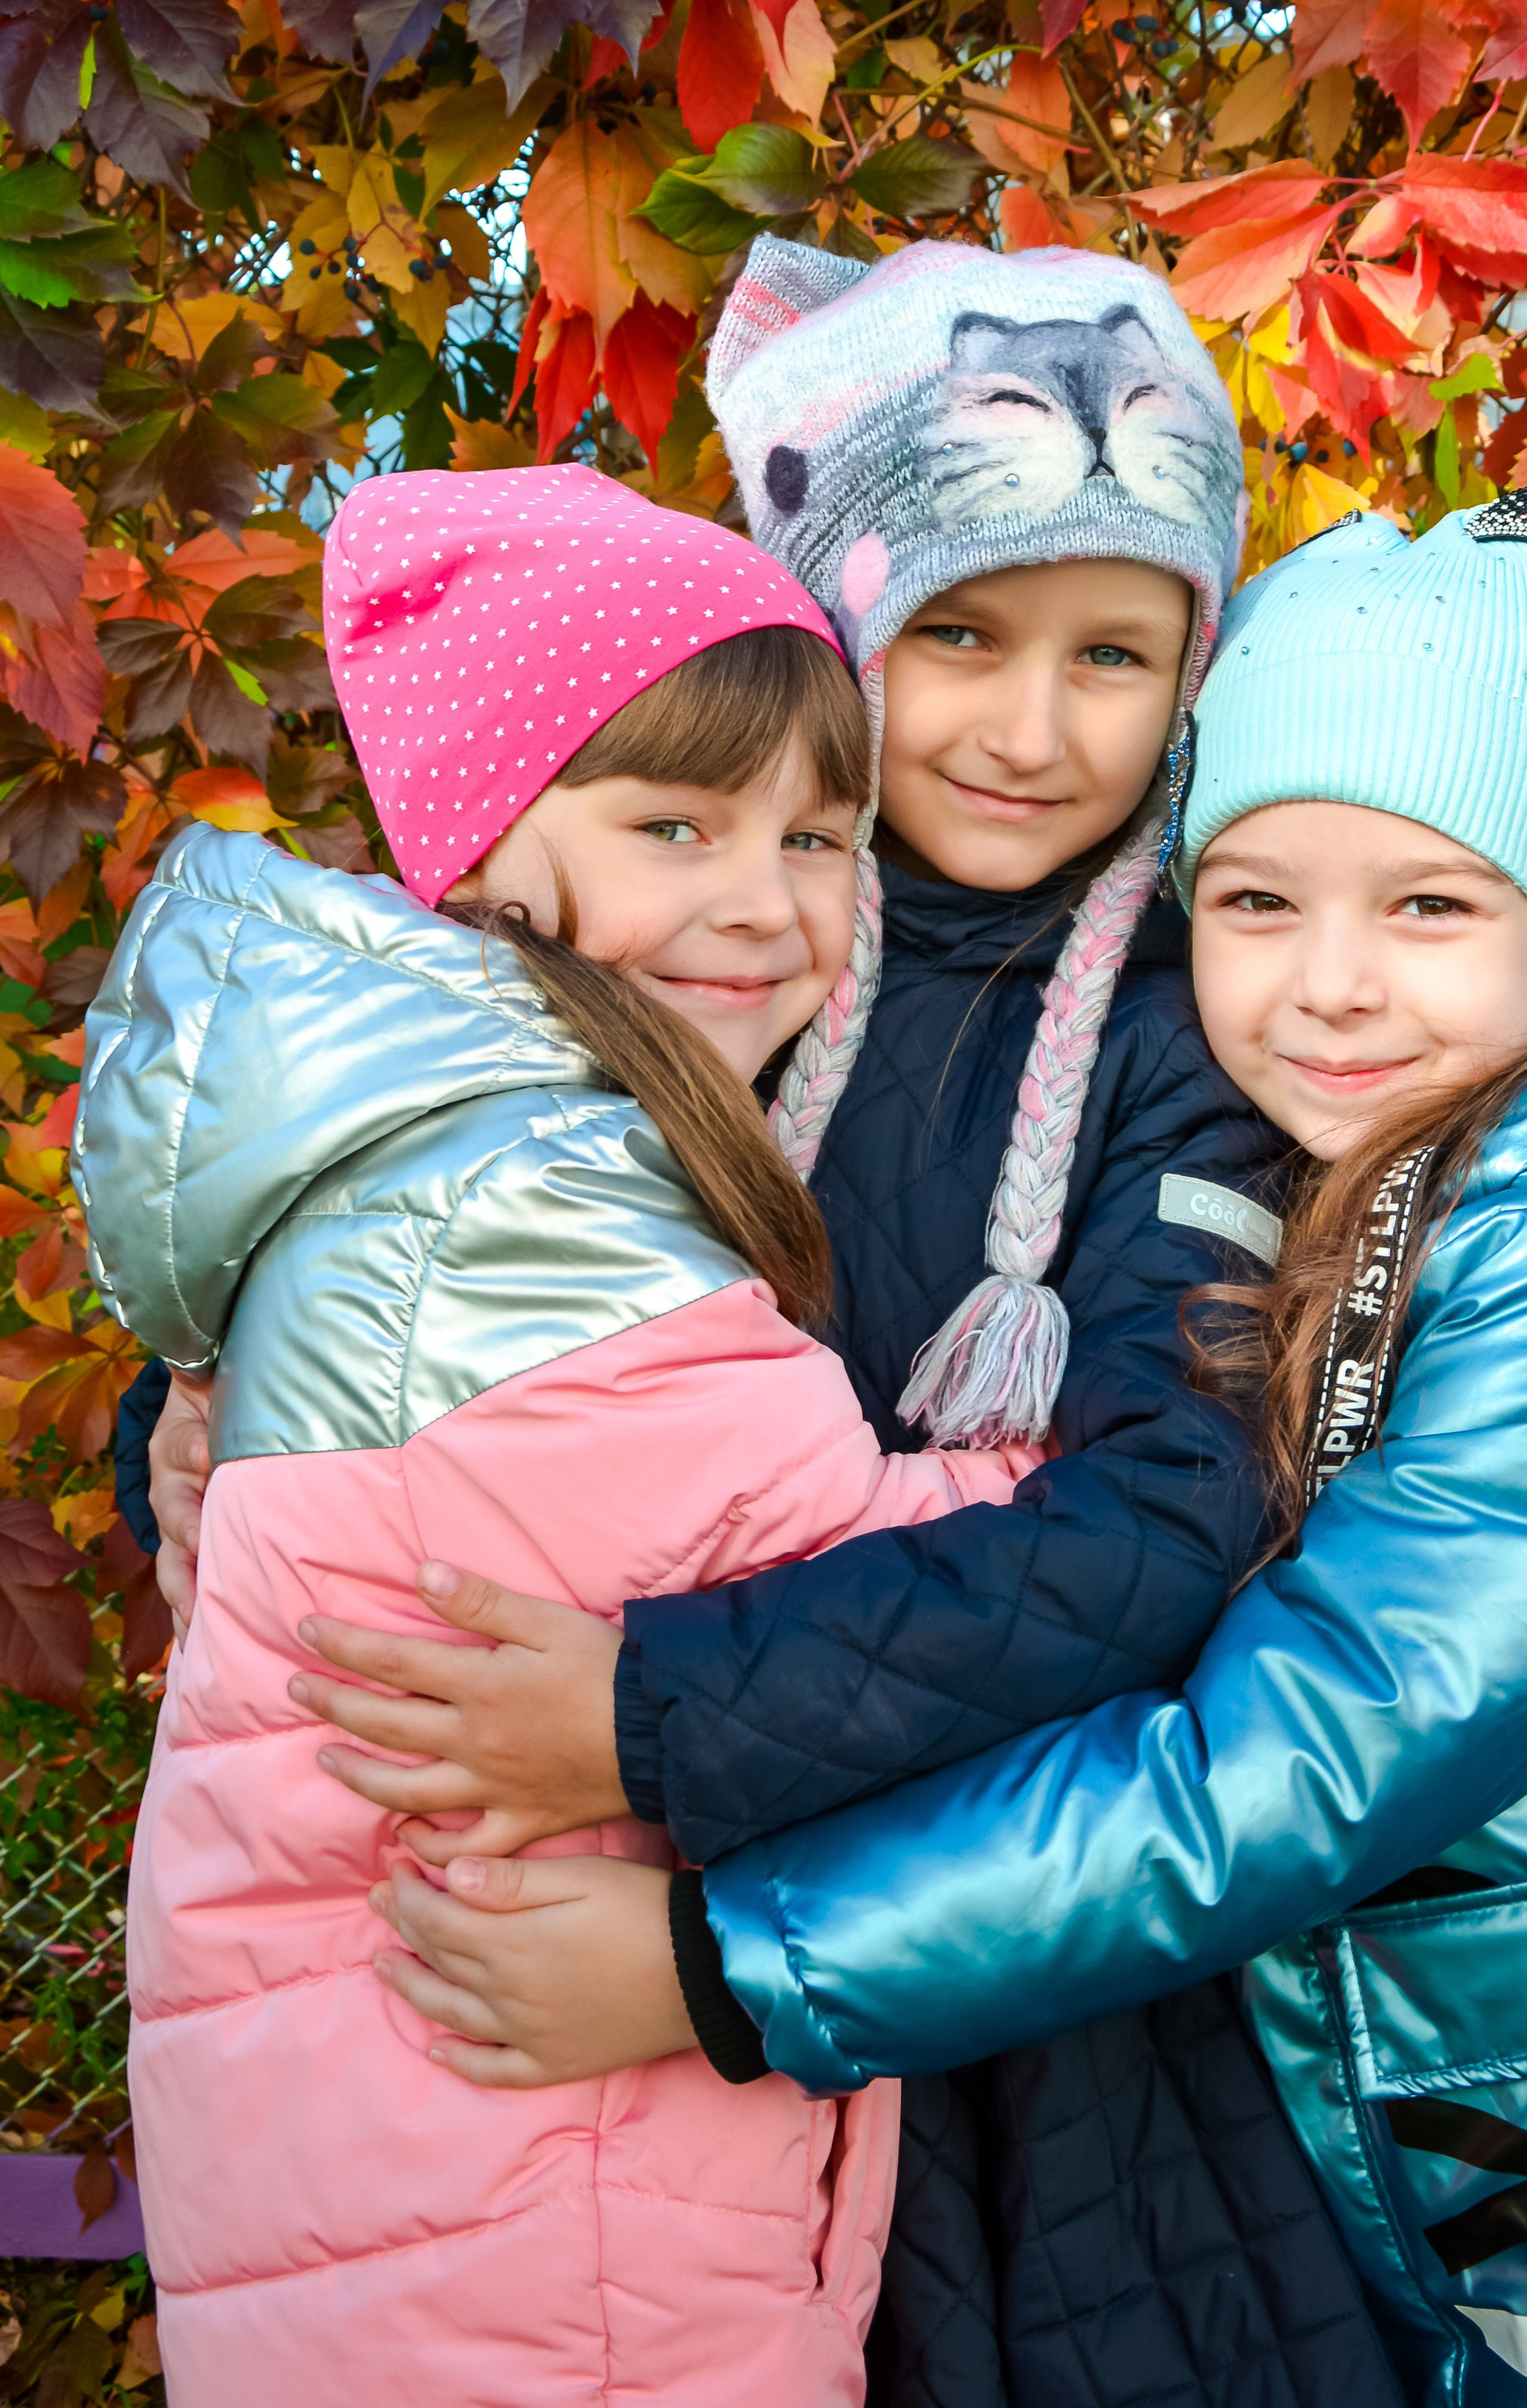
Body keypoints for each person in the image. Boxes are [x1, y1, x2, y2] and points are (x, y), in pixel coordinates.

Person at [360, 495, 1527, 2406]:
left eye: (1427, 906)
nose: (1327, 983)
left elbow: (1295, 1764)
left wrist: (725, 1966)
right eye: (1255, 902)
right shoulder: (1404, 1167)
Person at [134, 240, 1401, 2408]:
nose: (1030, 729)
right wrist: (195, 1432)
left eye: (1112, 654)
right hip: (639, 2065)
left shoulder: (1188, 1041)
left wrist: (648, 1715)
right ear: (829, 627)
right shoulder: (693, 961)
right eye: (961, 636)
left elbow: (1177, 1522)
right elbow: (409, 1344)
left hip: (1041, 2014)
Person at [74, 467, 1047, 2408]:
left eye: (817, 836)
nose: (764, 901)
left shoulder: (436, 1133)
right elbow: (848, 1572)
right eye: (674, 825)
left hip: (425, 2172)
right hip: (545, 2213)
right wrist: (1137, 1454)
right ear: (485, 848)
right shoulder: (524, 1201)